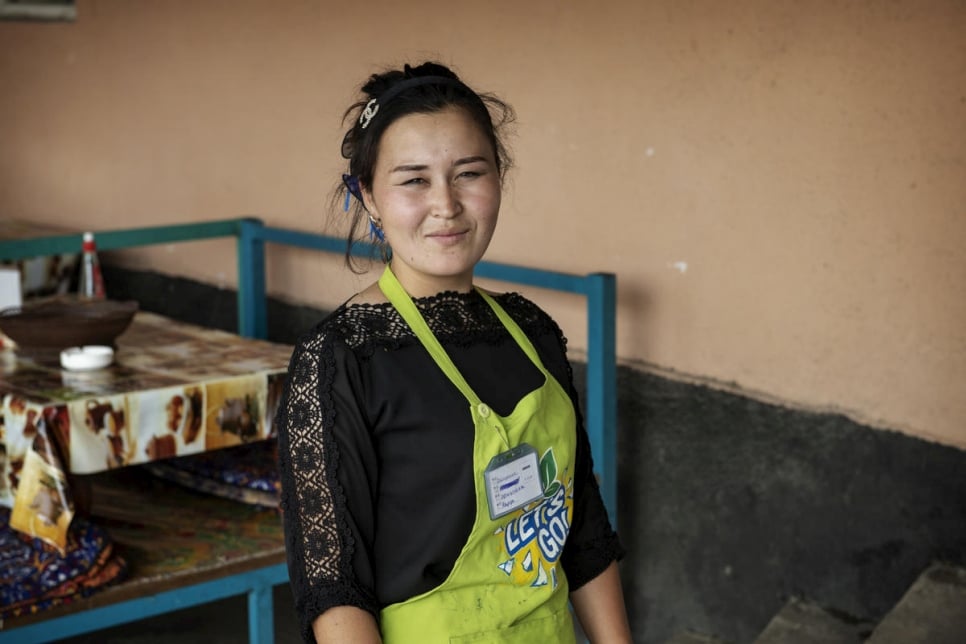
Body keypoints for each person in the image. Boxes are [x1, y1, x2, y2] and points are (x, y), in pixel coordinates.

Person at [275, 61, 632, 643]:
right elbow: (334, 586)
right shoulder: (342, 358)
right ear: (368, 197)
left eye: (468, 173)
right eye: (414, 180)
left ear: (499, 178)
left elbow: (582, 528)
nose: (446, 204)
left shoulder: (531, 331)